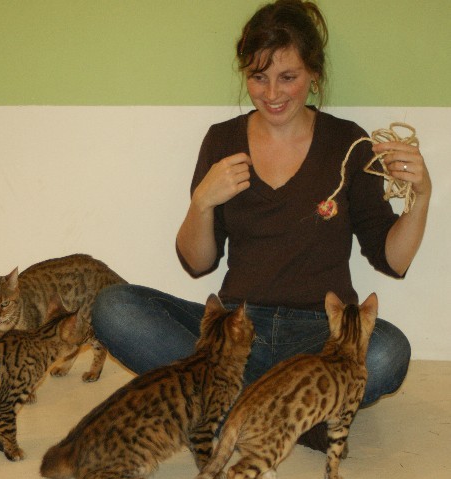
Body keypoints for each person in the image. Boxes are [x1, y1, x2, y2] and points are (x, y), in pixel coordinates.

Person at [91, 0, 431, 450]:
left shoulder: (348, 141)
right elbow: (198, 263)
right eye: (258, 77)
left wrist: (421, 197)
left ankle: (230, 409)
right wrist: (202, 202)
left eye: (288, 77)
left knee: (390, 351)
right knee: (113, 306)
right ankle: (289, 416)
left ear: (314, 75)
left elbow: (393, 260)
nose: (272, 93)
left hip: (320, 339)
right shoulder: (222, 140)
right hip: (236, 332)